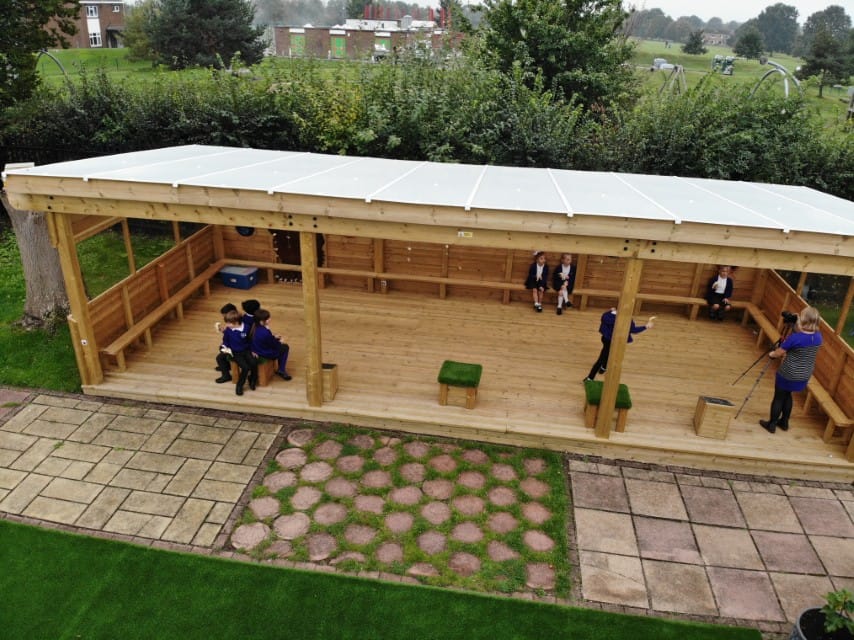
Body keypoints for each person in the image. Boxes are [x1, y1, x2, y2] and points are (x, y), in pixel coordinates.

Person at [760, 306, 823, 434]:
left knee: (778, 397)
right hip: (804, 374)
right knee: (788, 394)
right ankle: (784, 422)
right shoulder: (818, 336)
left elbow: (779, 353)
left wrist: (772, 354)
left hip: (788, 373)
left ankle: (771, 424)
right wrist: (798, 324)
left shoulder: (795, 338)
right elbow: (804, 335)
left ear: (804, 320)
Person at [584, 308, 654, 382]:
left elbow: (604, 317)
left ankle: (603, 368)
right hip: (614, 341)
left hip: (605, 339)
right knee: (602, 358)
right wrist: (646, 326)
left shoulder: (607, 315)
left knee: (606, 352)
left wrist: (610, 311)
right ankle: (590, 378)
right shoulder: (627, 319)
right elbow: (633, 330)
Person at [217, 308, 258, 395]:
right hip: (236, 353)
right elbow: (225, 341)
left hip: (246, 350)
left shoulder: (246, 328)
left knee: (254, 363)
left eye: (228, 323)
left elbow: (251, 340)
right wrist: (224, 347)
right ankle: (239, 385)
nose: (226, 325)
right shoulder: (228, 330)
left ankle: (252, 380)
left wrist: (253, 350)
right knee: (245, 367)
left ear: (236, 322)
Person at [250, 308, 292, 381]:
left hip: (256, 349)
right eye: (268, 318)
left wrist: (273, 337)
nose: (270, 319)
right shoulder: (265, 332)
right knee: (285, 347)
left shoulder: (255, 328)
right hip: (265, 353)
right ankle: (281, 369)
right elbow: (273, 345)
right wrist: (280, 341)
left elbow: (266, 340)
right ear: (261, 321)